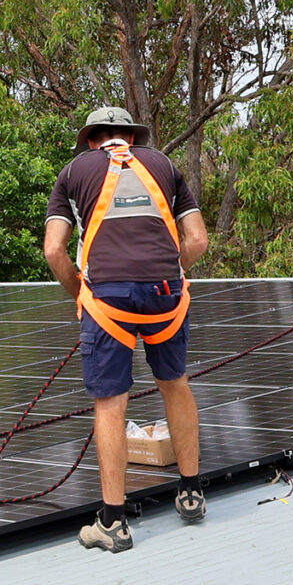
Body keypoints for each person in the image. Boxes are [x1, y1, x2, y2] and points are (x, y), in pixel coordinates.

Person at [42, 105, 211, 553]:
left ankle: (113, 522)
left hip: (107, 301)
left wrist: (80, 291)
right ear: (129, 138)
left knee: (111, 402)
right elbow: (197, 240)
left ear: (93, 139)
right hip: (167, 297)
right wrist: (171, 277)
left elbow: (54, 250)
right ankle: (191, 493)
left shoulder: (73, 171)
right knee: (175, 383)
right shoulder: (165, 165)